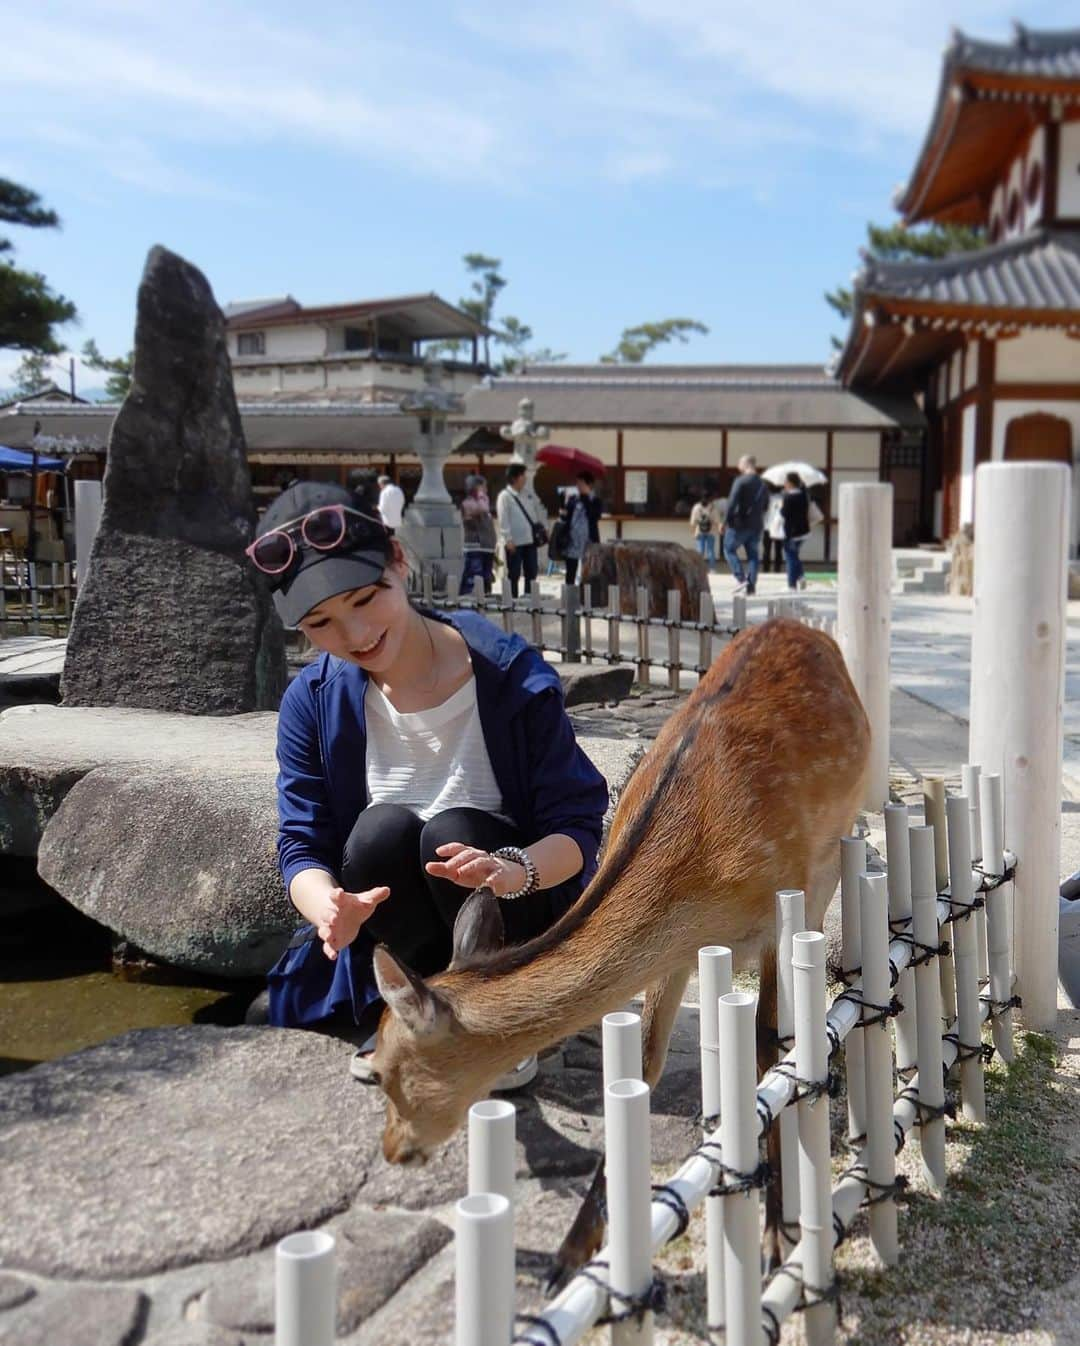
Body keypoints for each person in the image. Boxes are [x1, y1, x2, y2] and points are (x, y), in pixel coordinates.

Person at [247, 481, 608, 1090]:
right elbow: (301, 843)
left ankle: (495, 1020)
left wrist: (512, 868)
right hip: (400, 936)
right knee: (379, 832)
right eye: (321, 623)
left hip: (512, 924)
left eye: (366, 598)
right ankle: (414, 1011)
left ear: (399, 561)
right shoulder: (312, 702)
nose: (355, 633)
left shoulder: (510, 677)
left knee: (452, 831)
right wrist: (329, 908)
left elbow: (576, 827)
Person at [722, 455, 770, 595]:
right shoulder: (762, 483)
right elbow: (766, 504)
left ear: (745, 464)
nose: (738, 467)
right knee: (753, 556)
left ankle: (740, 577)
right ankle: (751, 586)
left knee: (728, 548)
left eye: (739, 464)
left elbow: (732, 503)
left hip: (740, 524)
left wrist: (726, 521)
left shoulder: (740, 481)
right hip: (756, 524)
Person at [496, 463, 541, 597]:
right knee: (514, 573)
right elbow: (503, 519)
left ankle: (529, 597)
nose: (525, 478)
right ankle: (512, 598)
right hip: (514, 542)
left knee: (532, 571)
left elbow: (535, 514)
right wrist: (508, 539)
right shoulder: (505, 496)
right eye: (523, 475)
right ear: (515, 477)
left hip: (530, 540)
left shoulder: (527, 495)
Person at [560, 470, 603, 586]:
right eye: (577, 483)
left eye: (581, 483)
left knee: (588, 572)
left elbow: (595, 517)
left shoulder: (595, 500)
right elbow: (565, 518)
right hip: (572, 541)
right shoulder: (573, 499)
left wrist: (586, 499)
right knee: (570, 572)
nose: (578, 486)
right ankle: (569, 598)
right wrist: (563, 504)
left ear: (588, 485)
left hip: (589, 541)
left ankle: (586, 598)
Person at [460, 474, 496, 594]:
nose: (485, 490)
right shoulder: (468, 503)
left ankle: (485, 598)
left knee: (486, 577)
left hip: (487, 547)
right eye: (483, 487)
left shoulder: (484, 501)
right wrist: (481, 496)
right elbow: (482, 509)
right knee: (473, 577)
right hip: (475, 547)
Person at [780, 471, 811, 592]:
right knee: (794, 555)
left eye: (786, 481)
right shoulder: (803, 495)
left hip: (792, 532)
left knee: (790, 557)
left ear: (790, 483)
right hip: (803, 530)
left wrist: (781, 504)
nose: (784, 484)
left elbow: (784, 513)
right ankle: (801, 576)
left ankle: (791, 585)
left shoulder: (789, 497)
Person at [689, 491, 722, 570]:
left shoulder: (696, 507)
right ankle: (712, 568)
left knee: (700, 551)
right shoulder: (713, 507)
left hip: (699, 531)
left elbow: (693, 522)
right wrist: (719, 529)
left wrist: (693, 533)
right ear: (710, 498)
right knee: (711, 551)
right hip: (711, 532)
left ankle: (699, 568)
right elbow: (717, 521)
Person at [763, 485, 785, 575]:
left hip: (768, 526)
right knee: (778, 549)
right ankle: (777, 569)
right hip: (779, 526)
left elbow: (763, 511)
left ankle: (766, 569)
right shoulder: (784, 498)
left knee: (767, 549)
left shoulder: (767, 498)